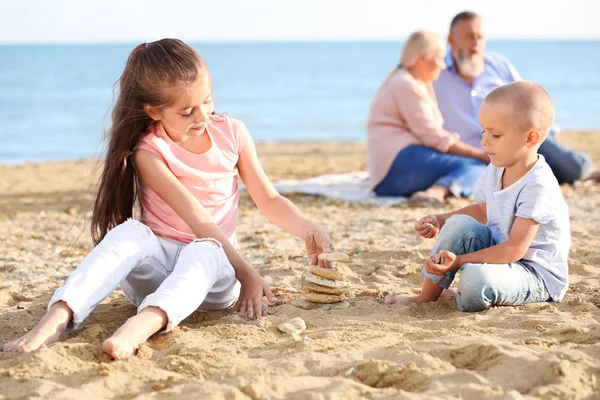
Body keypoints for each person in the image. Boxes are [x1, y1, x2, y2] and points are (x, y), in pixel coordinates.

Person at [2, 39, 335, 359]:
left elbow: (268, 199)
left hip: (213, 273)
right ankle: (55, 321)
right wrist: (251, 273)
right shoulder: (149, 151)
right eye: (187, 111)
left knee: (205, 248)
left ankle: (139, 327)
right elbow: (195, 215)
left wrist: (308, 228)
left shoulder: (232, 133)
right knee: (127, 232)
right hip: (156, 271)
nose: (202, 117)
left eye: (208, 101)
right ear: (154, 111)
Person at [385, 81, 571, 312]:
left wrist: (461, 261)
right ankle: (427, 297)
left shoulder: (538, 186)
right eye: (484, 131)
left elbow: (514, 250)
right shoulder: (497, 167)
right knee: (458, 225)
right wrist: (440, 219)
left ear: (530, 138)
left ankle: (463, 291)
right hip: (499, 252)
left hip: (533, 273)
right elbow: (483, 211)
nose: (484, 141)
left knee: (475, 277)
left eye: (496, 134)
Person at [433, 11, 596, 185]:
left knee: (575, 168)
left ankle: (587, 170)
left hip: (518, 142)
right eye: (469, 36)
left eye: (480, 37)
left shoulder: (497, 64)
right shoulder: (435, 73)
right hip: (472, 155)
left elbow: (530, 99)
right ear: (451, 40)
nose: (476, 43)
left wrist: (551, 133)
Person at [367, 30, 489, 204]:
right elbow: (432, 136)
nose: (442, 65)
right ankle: (436, 192)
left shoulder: (412, 82)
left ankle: (439, 189)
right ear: (422, 58)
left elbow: (431, 135)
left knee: (473, 167)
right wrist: (481, 155)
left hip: (392, 170)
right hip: (395, 170)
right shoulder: (406, 84)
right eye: (439, 57)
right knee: (476, 167)